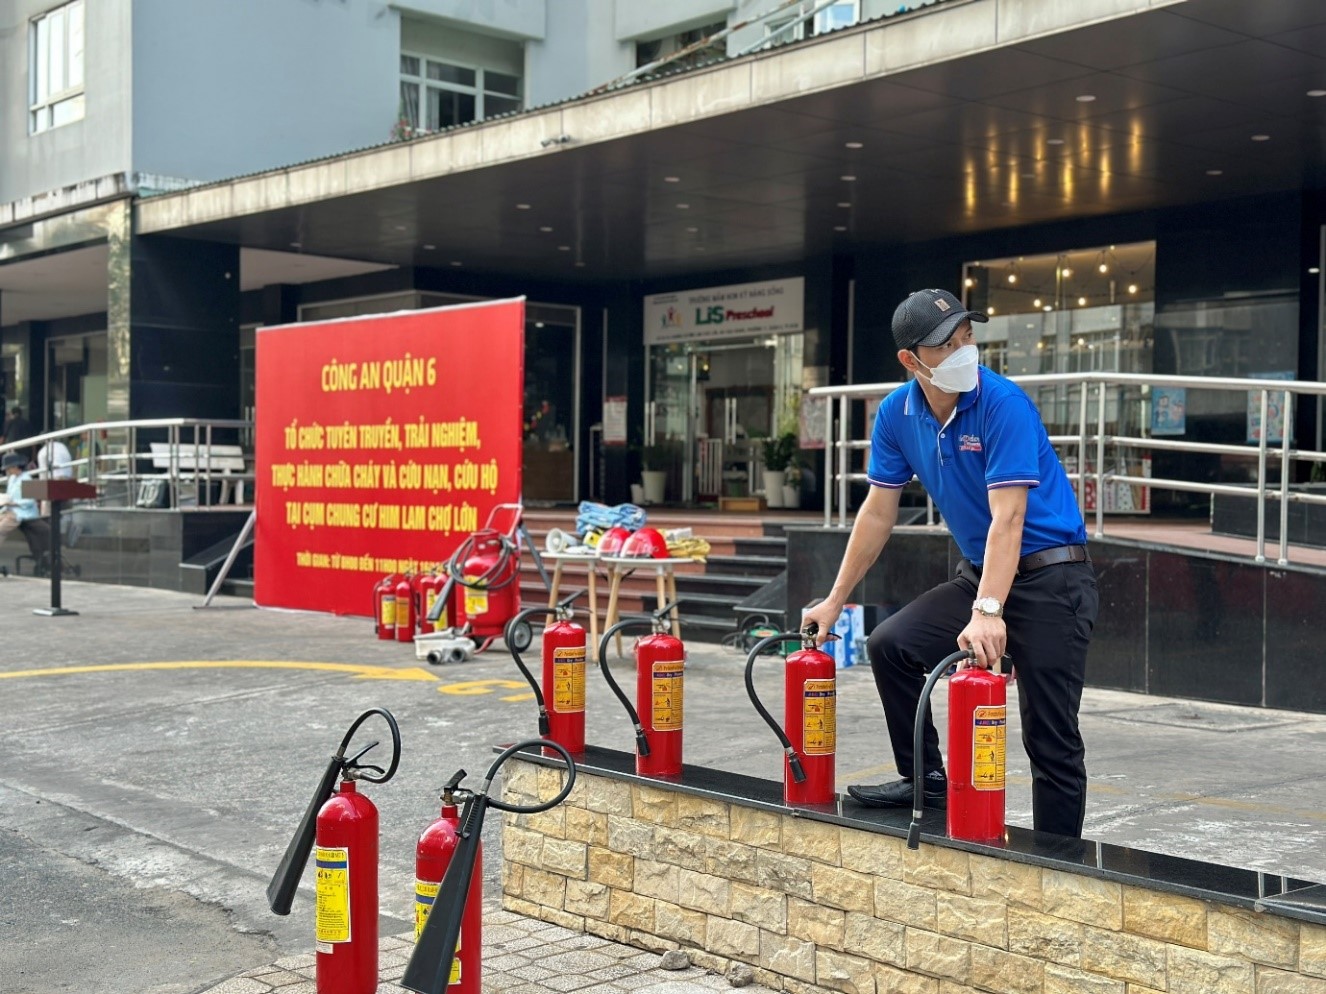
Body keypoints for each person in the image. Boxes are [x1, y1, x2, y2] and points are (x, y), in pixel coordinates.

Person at [802, 288, 1099, 838]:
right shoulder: (897, 413)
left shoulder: (1002, 403)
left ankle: (1059, 863)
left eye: (966, 337)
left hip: (1053, 579)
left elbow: (1009, 518)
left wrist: (988, 611)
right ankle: (927, 780)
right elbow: (877, 513)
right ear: (910, 360)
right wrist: (835, 600)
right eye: (946, 344)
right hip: (982, 574)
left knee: (1050, 737)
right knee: (891, 645)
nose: (964, 351)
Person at [0, 450, 39, 540]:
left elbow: (30, 501)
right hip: (9, 510)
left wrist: (13, 503)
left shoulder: (27, 479)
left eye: (8, 468)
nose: (7, 471)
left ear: (15, 467)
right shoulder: (12, 478)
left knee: (1, 529)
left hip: (22, 513)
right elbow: (10, 495)